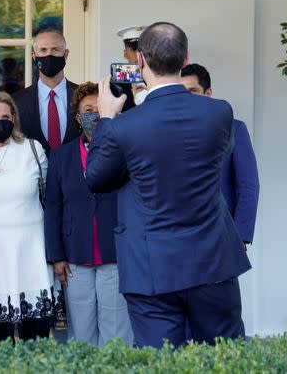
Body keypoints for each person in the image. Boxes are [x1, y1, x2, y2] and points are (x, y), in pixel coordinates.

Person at [85, 22, 251, 348]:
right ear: (185, 57)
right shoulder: (219, 113)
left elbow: (97, 178)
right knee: (226, 360)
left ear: (141, 61)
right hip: (212, 259)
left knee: (160, 363)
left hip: (151, 265)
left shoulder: (124, 127)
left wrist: (106, 119)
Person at [0, 92, 58, 342]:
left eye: (6, 116)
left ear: (14, 118)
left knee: (35, 337)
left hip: (31, 251)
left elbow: (47, 193)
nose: (0, 122)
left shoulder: (32, 149)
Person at [44, 82, 133, 346]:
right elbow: (53, 207)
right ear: (78, 118)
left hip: (115, 251)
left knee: (116, 330)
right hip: (74, 255)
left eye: (98, 108)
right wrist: (56, 254)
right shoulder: (61, 156)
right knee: (80, 333)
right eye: (87, 110)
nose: (94, 114)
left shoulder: (125, 150)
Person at [180, 63, 260, 245]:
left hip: (221, 237)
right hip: (177, 238)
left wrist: (240, 238)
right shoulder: (167, 131)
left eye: (193, 91)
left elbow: (248, 186)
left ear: (208, 94)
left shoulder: (234, 128)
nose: (187, 98)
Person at [13, 28, 80, 154]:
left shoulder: (83, 96)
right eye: (43, 50)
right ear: (34, 56)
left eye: (55, 50)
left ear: (65, 55)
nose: (49, 55)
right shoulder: (17, 101)